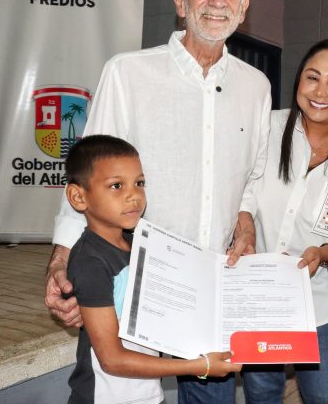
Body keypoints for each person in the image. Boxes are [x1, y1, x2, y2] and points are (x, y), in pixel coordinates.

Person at [44, 0, 271, 403]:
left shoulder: (257, 87)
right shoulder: (128, 74)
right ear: (180, 0)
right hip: (135, 281)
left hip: (210, 284)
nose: (217, 0)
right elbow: (90, 171)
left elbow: (252, 174)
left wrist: (245, 218)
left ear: (244, 6)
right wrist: (62, 259)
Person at [238, 39, 328, 403]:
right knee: (261, 390)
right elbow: (241, 186)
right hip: (259, 290)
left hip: (319, 298)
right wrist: (245, 224)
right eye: (312, 78)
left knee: (326, 395)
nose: (320, 92)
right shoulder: (268, 128)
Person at [63, 135, 241, 404]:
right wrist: (198, 366)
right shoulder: (91, 261)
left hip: (148, 394)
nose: (133, 195)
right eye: (116, 186)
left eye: (139, 183)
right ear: (78, 196)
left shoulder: (141, 244)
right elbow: (112, 360)